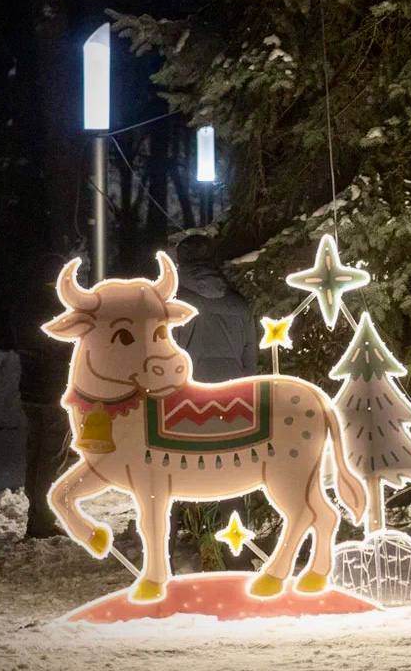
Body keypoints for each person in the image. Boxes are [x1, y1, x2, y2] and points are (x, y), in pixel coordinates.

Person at [171, 234, 258, 570]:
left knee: (175, 482)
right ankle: (237, 559)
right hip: (232, 404)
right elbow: (251, 363)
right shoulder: (239, 303)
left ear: (181, 263)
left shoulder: (175, 304)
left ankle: (165, 561)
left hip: (185, 405)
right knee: (231, 480)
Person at [173, 235, 257, 382]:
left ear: (180, 260)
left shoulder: (174, 303)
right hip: (233, 389)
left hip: (187, 391)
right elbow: (250, 355)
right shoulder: (238, 303)